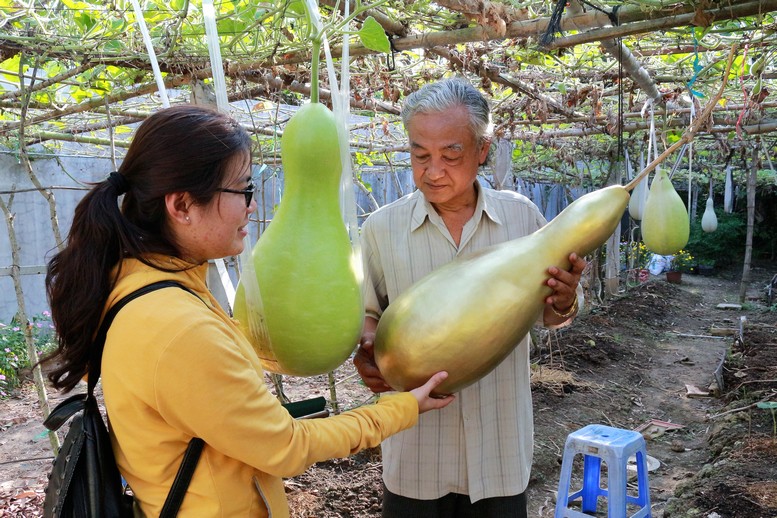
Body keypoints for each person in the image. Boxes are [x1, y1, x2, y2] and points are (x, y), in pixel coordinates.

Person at [41, 104, 454, 517]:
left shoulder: (142, 287)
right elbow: (286, 448)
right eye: (243, 191)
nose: (251, 207)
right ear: (182, 205)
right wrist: (400, 408)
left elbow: (211, 396)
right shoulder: (177, 326)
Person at [353, 77, 586, 517]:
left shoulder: (524, 219)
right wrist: (367, 351)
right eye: (420, 155)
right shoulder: (381, 229)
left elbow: (556, 314)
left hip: (498, 454)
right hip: (416, 453)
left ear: (482, 149)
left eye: (451, 154)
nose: (433, 170)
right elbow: (367, 315)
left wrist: (563, 301)